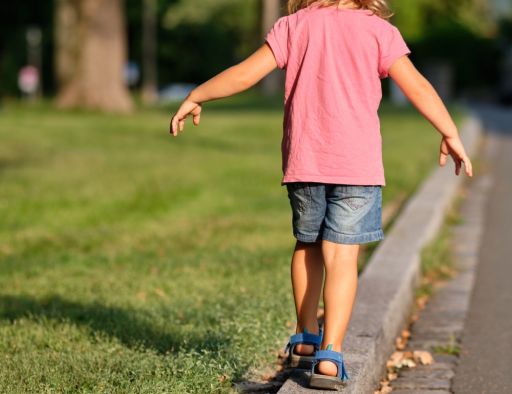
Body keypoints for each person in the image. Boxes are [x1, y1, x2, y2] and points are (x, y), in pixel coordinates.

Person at [169, 0, 473, 389]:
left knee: (307, 245)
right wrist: (449, 131)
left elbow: (246, 74)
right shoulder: (379, 31)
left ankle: (306, 337)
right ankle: (331, 354)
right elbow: (416, 85)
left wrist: (198, 94)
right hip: (358, 168)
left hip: (305, 164)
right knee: (342, 256)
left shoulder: (294, 26)